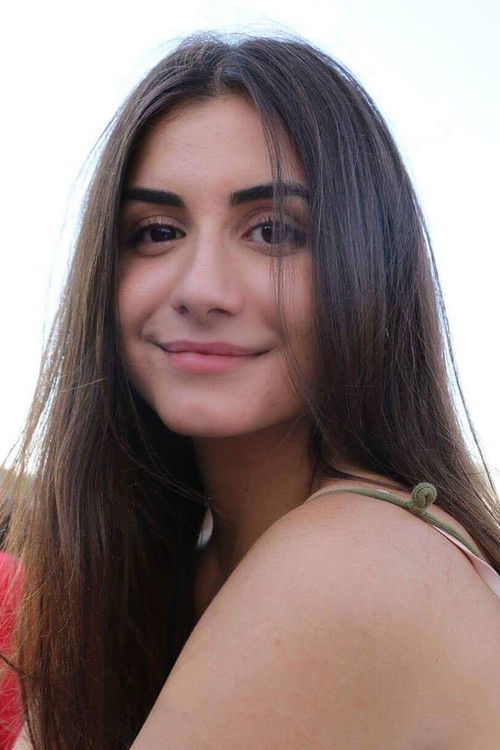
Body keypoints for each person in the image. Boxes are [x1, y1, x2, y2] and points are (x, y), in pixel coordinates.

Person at [1, 30, 499, 750]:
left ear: (370, 264)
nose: (202, 289)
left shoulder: (355, 561)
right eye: (158, 231)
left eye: (271, 231)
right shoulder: (178, 565)